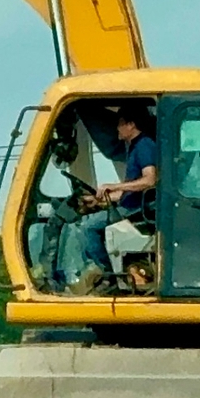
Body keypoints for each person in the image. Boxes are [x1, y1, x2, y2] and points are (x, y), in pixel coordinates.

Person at [70, 107, 158, 294]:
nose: (116, 129)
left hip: (138, 210)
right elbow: (128, 193)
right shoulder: (134, 147)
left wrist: (115, 186)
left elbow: (149, 180)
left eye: (119, 124)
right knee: (87, 221)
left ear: (131, 125)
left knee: (88, 228)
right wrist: (98, 201)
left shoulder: (144, 145)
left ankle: (109, 275)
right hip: (131, 205)